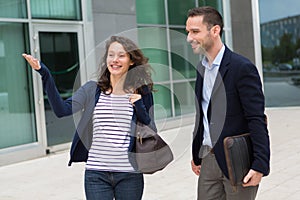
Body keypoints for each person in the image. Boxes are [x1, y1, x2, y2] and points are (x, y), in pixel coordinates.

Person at [23, 35, 156, 200]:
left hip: (129, 174)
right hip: (96, 174)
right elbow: (61, 110)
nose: (115, 60)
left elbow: (152, 130)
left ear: (131, 61)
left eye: (121, 55)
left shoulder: (141, 92)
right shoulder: (92, 90)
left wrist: (139, 106)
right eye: (111, 55)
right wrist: (45, 75)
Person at [185, 6, 270, 200]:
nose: (189, 38)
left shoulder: (242, 68)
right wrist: (197, 154)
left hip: (237, 160)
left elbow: (256, 118)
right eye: (188, 31)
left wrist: (260, 165)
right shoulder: (201, 69)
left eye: (195, 31)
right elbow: (203, 114)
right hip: (207, 159)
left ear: (215, 31)